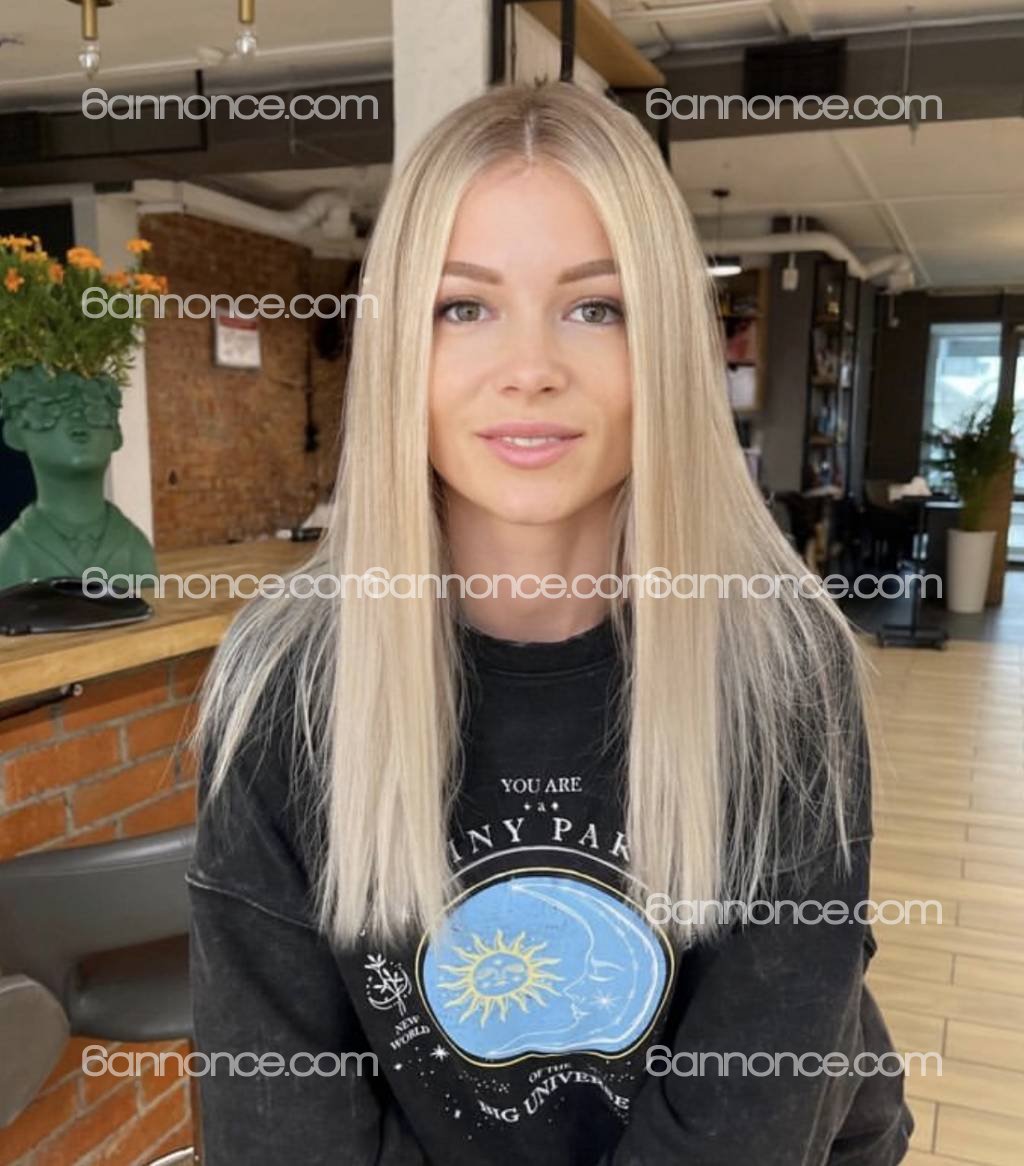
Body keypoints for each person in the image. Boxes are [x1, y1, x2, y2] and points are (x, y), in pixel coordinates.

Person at [186, 83, 913, 1166]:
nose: (529, 369)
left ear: (665, 346)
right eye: (462, 307)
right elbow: (279, 1117)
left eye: (596, 307)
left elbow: (752, 1111)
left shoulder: (782, 666)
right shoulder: (282, 680)